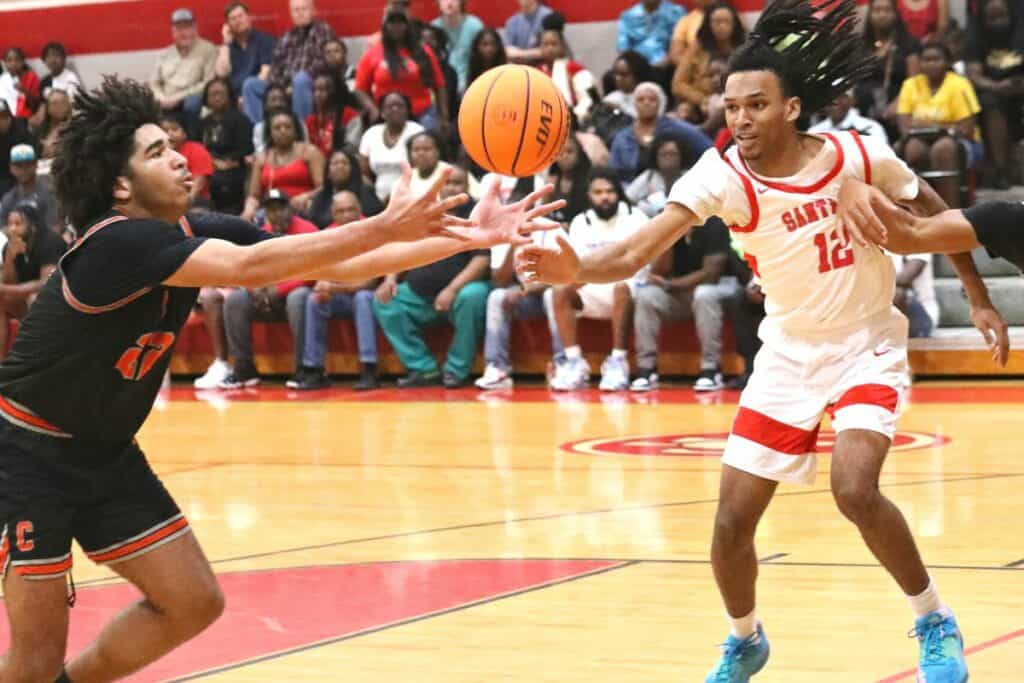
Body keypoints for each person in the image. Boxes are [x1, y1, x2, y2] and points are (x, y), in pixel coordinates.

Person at [0, 74, 562, 683]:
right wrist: (384, 225)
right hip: (26, 452)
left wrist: (465, 237)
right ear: (119, 186)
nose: (180, 159)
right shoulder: (116, 242)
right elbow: (250, 266)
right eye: (156, 153)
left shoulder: (190, 231)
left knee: (191, 602)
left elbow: (335, 259)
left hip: (104, 453)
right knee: (32, 657)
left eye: (173, 144)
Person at [518, 1, 995, 679]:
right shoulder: (721, 177)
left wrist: (977, 296)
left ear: (792, 108)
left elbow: (938, 214)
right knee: (729, 526)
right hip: (790, 353)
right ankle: (746, 639)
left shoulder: (859, 154)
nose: (739, 119)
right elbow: (634, 254)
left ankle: (933, 618)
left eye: (756, 105)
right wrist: (577, 268)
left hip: (866, 342)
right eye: (731, 107)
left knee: (854, 487)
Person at [373, 166, 492, 389]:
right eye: (447, 183)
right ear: (439, 187)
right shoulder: (425, 213)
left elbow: (481, 261)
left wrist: (452, 289)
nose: (451, 188)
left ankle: (456, 370)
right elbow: (400, 250)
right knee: (385, 300)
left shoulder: (477, 215)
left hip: (460, 295)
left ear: (467, 187)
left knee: (473, 296)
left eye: (457, 183)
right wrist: (390, 280)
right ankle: (424, 368)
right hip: (419, 295)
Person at [547, 168, 647, 392]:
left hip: (630, 287)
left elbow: (639, 265)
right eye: (598, 192)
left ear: (618, 193)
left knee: (622, 286)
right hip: (592, 287)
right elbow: (577, 267)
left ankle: (618, 361)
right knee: (558, 289)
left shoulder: (636, 217)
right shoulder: (580, 222)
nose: (604, 197)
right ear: (589, 195)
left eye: (610, 191)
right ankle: (573, 362)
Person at [221, 189, 317, 388]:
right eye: (271, 209)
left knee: (299, 298)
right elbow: (246, 267)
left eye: (281, 208)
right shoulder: (258, 232)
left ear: (290, 209)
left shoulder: (307, 231)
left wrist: (279, 290)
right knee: (235, 299)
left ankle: (302, 369)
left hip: (293, 296)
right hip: (263, 297)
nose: (277, 214)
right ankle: (244, 368)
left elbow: (316, 271)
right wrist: (253, 288)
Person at [630, 216, 736, 392]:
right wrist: (670, 239)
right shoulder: (670, 223)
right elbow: (657, 272)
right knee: (646, 296)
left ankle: (711, 369)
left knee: (704, 294)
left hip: (715, 290)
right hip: (679, 293)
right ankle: (647, 369)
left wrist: (670, 284)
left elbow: (711, 273)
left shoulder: (715, 224)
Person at [291, 190, 381, 391]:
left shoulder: (374, 232)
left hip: (365, 296)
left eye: (351, 210)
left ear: (359, 210)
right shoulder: (327, 235)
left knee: (363, 298)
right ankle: (314, 369)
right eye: (341, 211)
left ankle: (369, 368)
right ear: (333, 214)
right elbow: (321, 272)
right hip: (340, 297)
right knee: (314, 299)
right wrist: (323, 287)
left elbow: (370, 283)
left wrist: (333, 287)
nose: (347, 215)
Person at [896, 40, 982, 208]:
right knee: (913, 149)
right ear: (920, 63)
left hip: (960, 142)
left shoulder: (959, 84)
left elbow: (966, 129)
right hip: (920, 138)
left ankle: (950, 211)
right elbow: (905, 126)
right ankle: (918, 211)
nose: (931, 64)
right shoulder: (910, 84)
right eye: (926, 60)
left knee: (943, 149)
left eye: (937, 59)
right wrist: (945, 125)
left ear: (947, 62)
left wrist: (925, 124)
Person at [354, 9, 449, 133]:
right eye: (392, 23)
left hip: (422, 111)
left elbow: (440, 86)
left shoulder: (424, 51)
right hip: (386, 114)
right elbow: (359, 89)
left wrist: (444, 117)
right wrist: (373, 110)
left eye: (401, 23)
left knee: (430, 139)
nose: (396, 27)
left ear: (407, 26)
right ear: (385, 27)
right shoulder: (373, 53)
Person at [244, 0, 335, 124]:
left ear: (313, 11)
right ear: (291, 13)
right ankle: (261, 133)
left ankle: (301, 131)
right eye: (296, 10)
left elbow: (322, 63)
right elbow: (276, 66)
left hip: (310, 84)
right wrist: (278, 88)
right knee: (251, 85)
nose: (300, 13)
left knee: (301, 80)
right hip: (285, 86)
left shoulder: (322, 30)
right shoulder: (287, 36)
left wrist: (293, 85)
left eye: (304, 9)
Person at [967, 0, 1024, 188]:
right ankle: (1000, 170)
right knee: (989, 102)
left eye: (1002, 16)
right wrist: (996, 86)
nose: (998, 22)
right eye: (992, 18)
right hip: (993, 89)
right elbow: (974, 74)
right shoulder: (976, 36)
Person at [609, 81, 712, 184]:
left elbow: (708, 148)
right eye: (640, 100)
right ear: (633, 104)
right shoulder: (623, 137)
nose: (646, 103)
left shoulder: (676, 128)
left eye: (652, 99)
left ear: (661, 102)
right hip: (633, 191)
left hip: (674, 187)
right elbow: (614, 173)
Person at [0, 202, 65, 359]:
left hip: (58, 302)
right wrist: (9, 257)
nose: (13, 229)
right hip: (26, 300)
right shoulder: (10, 246)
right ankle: (2, 363)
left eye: (18, 223)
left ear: (33, 225)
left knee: (35, 298)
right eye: (10, 224)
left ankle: (39, 361)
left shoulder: (50, 242)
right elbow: (10, 282)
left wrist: (4, 289)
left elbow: (45, 284)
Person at [243, 109, 324, 222]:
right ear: (270, 132)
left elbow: (323, 187)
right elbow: (253, 196)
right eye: (277, 127)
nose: (283, 131)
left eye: (287, 127)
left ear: (295, 130)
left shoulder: (309, 152)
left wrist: (306, 196)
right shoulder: (262, 158)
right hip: (271, 212)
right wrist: (248, 209)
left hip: (303, 209)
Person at [671, 2, 746, 119]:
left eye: (726, 22)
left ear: (734, 24)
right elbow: (678, 84)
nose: (721, 26)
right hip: (704, 102)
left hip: (739, 99)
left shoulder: (746, 47)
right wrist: (702, 99)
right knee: (683, 111)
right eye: (716, 22)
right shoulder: (697, 48)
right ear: (708, 24)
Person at [150, 9, 217, 124]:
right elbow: (154, 83)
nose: (183, 33)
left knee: (193, 102)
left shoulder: (208, 49)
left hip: (189, 99)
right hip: (165, 100)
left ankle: (192, 139)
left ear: (195, 28)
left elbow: (208, 82)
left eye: (187, 27)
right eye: (179, 28)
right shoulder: (165, 54)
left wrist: (179, 97)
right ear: (173, 31)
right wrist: (161, 98)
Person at [200, 77, 254, 214]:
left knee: (226, 180)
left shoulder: (241, 120)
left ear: (229, 96)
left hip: (234, 166)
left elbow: (246, 148)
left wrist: (227, 161)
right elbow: (199, 147)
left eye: (221, 94)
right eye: (213, 94)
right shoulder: (203, 122)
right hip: (209, 165)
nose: (217, 98)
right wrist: (213, 161)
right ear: (206, 99)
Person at [359, 92, 425, 204]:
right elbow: (364, 172)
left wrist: (394, 196)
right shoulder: (371, 133)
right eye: (389, 106)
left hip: (411, 195)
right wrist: (372, 198)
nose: (395, 109)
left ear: (408, 111)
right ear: (382, 112)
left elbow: (420, 169)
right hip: (377, 198)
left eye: (400, 106)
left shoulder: (417, 131)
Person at [214, 2, 276, 103]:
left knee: (250, 84)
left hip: (256, 93)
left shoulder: (264, 40)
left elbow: (265, 73)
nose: (238, 21)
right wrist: (225, 43)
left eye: (240, 16)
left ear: (249, 17)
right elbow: (221, 74)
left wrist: (245, 97)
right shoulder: (227, 47)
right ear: (228, 24)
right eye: (233, 19)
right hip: (233, 99)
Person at [538, 19, 597, 122]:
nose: (549, 49)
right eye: (545, 44)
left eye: (553, 44)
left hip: (574, 122)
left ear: (563, 47)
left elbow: (588, 100)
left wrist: (574, 117)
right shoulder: (536, 72)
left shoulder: (576, 70)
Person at [307, 148, 383, 228]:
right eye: (335, 163)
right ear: (328, 172)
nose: (340, 166)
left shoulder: (366, 193)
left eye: (344, 163)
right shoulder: (321, 197)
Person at [0, 144, 58, 232]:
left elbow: (54, 228)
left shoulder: (48, 193)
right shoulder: (8, 199)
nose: (23, 170)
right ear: (11, 168)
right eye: (19, 166)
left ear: (36, 165)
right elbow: (2, 230)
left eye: (28, 165)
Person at [431, 0, 485, 93]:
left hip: (471, 83)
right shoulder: (433, 27)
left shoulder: (474, 26)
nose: (449, 3)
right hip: (443, 85)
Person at [306, 69, 362, 158]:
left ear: (334, 91)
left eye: (322, 90)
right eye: (315, 90)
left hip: (343, 163)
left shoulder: (350, 115)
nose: (317, 94)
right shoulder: (310, 120)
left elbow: (352, 148)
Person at [160, 112, 214, 203]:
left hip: (195, 199)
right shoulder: (158, 153)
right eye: (164, 130)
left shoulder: (196, 149)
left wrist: (185, 203)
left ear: (185, 133)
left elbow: (199, 183)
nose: (169, 134)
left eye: (174, 129)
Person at [808, 88, 890, 143]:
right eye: (831, 97)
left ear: (852, 100)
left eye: (842, 96)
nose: (835, 101)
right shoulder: (814, 132)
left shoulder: (871, 128)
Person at [503, 0, 553, 64]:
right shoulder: (512, 21)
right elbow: (507, 51)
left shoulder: (548, 16)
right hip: (519, 68)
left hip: (544, 67)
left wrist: (519, 53)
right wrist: (531, 53)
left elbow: (550, 50)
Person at [0, 48, 40, 119]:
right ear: (5, 63)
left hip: (24, 118)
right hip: (5, 118)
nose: (13, 64)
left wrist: (24, 91)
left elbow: (35, 107)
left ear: (23, 62)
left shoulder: (31, 77)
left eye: (17, 60)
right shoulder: (3, 79)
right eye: (9, 60)